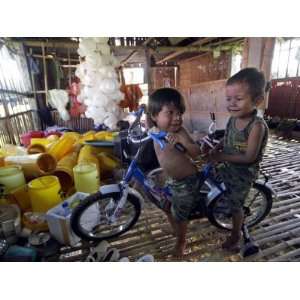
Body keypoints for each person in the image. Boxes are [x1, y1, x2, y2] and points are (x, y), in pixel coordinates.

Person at [207, 68, 269, 252]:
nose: (232, 104)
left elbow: (249, 157)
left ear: (257, 101)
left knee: (236, 205)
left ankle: (235, 235)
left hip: (243, 173)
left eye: (239, 99)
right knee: (211, 178)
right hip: (227, 164)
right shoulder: (233, 119)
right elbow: (227, 137)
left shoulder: (256, 126)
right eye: (228, 99)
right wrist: (217, 147)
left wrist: (220, 156)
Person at [148, 88, 202, 257]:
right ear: (155, 116)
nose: (177, 117)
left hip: (187, 181)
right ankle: (175, 230)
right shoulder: (155, 130)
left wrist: (183, 143)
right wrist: (144, 111)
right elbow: (147, 124)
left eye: (179, 113)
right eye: (170, 113)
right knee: (166, 205)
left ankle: (182, 240)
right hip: (171, 179)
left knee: (180, 213)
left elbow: (196, 151)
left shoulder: (179, 132)